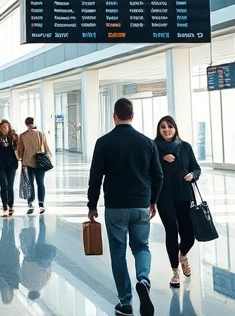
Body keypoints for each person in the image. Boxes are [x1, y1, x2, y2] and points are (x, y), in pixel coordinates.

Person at [87, 99, 163, 316]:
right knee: (141, 247)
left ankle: (126, 302)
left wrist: (92, 205)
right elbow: (158, 175)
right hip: (140, 205)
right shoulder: (147, 142)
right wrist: (153, 200)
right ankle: (144, 279)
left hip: (115, 207)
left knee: (118, 253)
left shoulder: (104, 142)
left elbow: (95, 178)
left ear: (115, 115)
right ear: (132, 115)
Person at [154, 115, 201, 288]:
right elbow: (147, 169)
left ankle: (183, 255)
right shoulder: (154, 147)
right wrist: (161, 159)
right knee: (171, 232)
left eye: (170, 127)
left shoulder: (185, 146)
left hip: (184, 196)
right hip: (164, 197)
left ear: (175, 128)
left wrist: (193, 175)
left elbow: (196, 168)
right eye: (163, 127)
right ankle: (175, 272)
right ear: (159, 130)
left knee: (189, 235)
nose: (166, 130)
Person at [17, 117, 52, 215]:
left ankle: (30, 203)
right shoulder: (40, 134)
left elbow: (20, 150)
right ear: (34, 122)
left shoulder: (22, 136)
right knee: (40, 183)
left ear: (26, 124)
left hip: (28, 163)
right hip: (40, 162)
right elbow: (46, 147)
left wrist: (21, 160)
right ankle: (41, 204)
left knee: (30, 183)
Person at [20, 216, 56, 302]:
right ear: (29, 293)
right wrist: (25, 261)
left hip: (41, 260)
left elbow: (48, 273)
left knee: (42, 236)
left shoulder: (42, 284)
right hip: (30, 259)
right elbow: (22, 271)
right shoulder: (24, 283)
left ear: (38, 293)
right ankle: (31, 221)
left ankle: (41, 219)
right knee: (30, 240)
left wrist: (49, 264)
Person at [0, 120, 19, 216]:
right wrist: (0, 147)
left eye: (6, 127)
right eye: (3, 127)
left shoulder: (13, 136)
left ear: (9, 127)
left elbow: (18, 149)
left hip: (12, 165)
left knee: (10, 186)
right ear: (0, 129)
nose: (5, 129)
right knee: (4, 184)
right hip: (0, 165)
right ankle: (4, 206)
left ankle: (11, 205)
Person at [0, 217, 20, 305]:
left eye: (6, 296)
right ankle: (11, 222)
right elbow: (18, 270)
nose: (7, 294)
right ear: (11, 295)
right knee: (11, 239)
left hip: (1, 259)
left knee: (4, 239)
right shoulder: (14, 285)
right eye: (9, 296)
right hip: (11, 259)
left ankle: (6, 222)